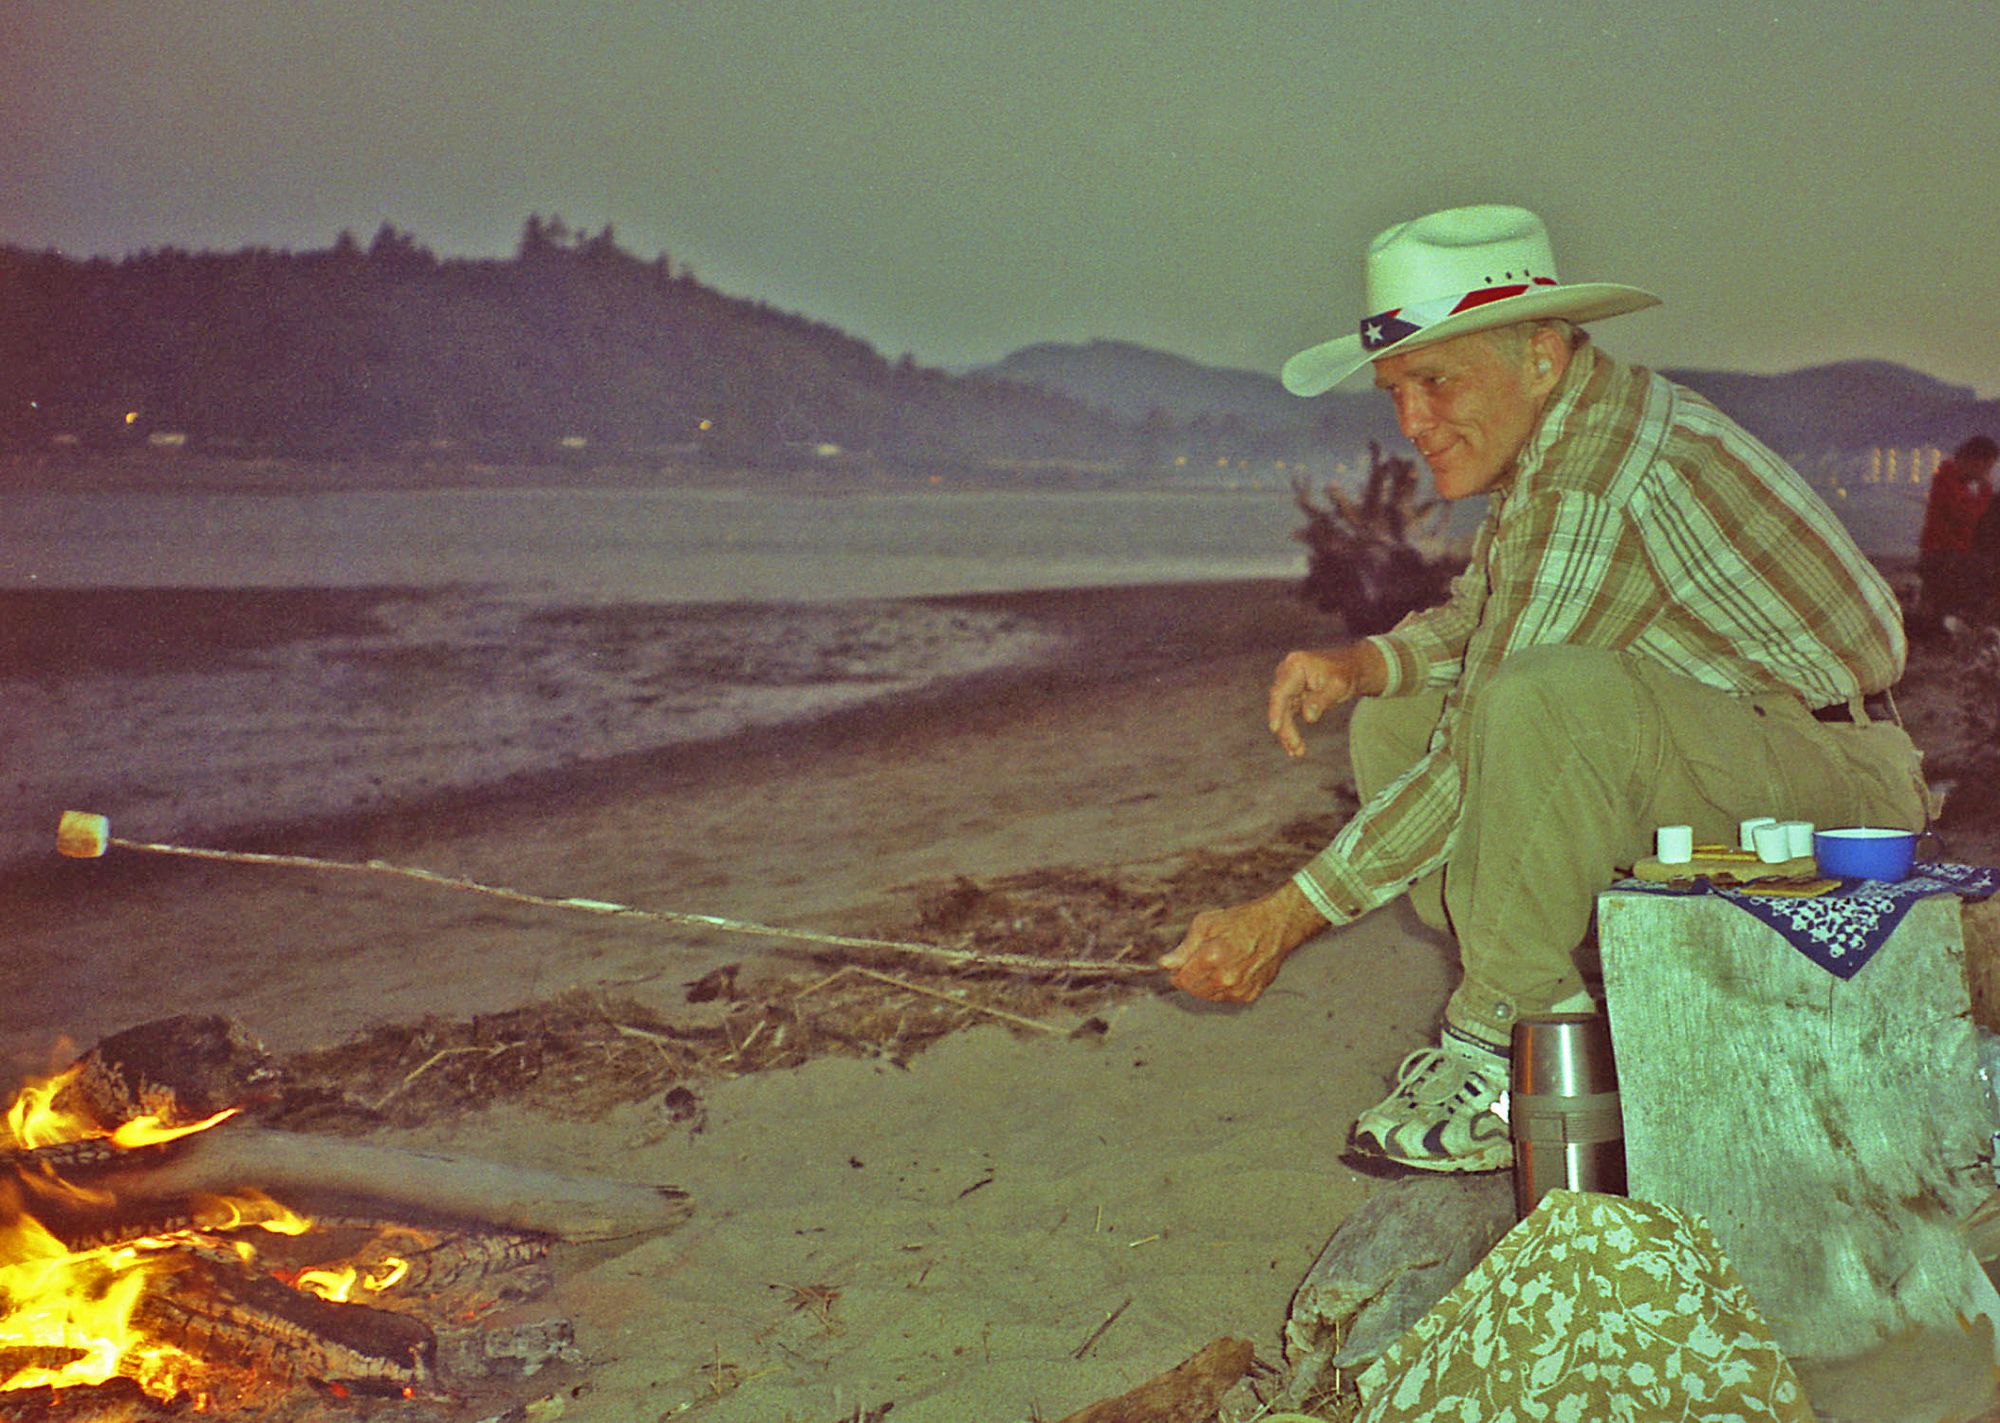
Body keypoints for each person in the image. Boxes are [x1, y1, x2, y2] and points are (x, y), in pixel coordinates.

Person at [1160, 204, 1928, 1174]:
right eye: (1393, 390)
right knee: (1406, 711)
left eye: (1435, 381)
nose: (1410, 422)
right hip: (1731, 756)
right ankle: (1557, 997)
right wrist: (1364, 664)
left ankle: (1502, 1035)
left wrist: (1281, 916)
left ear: (1539, 358)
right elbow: (1490, 611)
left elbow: (1495, 713)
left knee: (1537, 701)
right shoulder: (1568, 439)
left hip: (1839, 789)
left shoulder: (1594, 474)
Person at [1917, 435, 1997, 629]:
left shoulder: (1959, 484)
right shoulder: (1946, 479)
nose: (1987, 473)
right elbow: (1970, 517)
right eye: (1986, 467)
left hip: (1959, 560)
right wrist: (1986, 489)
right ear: (1974, 461)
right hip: (1945, 560)